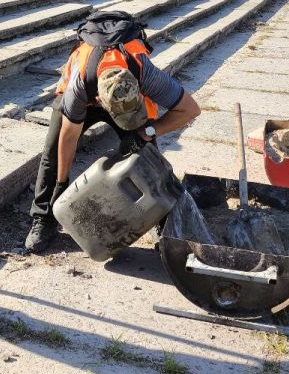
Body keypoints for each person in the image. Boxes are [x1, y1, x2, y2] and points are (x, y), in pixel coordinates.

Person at [25, 15, 201, 253]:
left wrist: (147, 130)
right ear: (99, 100)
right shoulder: (79, 87)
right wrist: (61, 184)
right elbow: (68, 138)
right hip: (84, 93)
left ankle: (166, 224)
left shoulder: (145, 73)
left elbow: (190, 109)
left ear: (140, 91)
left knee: (147, 154)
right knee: (53, 154)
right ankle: (43, 218)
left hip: (123, 89)